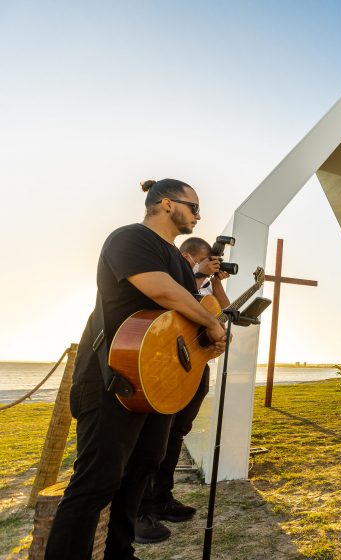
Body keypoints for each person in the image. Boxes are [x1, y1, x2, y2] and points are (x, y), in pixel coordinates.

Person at [46, 179, 227, 560]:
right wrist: (211, 323)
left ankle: (120, 553)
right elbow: (161, 291)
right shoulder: (129, 239)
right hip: (112, 379)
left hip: (157, 386)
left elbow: (180, 325)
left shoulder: (179, 259)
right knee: (96, 483)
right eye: (193, 207)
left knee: (140, 473)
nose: (198, 215)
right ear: (165, 204)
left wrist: (205, 348)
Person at [134, 237, 231, 543]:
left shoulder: (204, 285)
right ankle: (140, 510)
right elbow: (173, 301)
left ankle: (163, 498)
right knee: (153, 438)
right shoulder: (175, 276)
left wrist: (214, 281)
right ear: (187, 257)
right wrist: (199, 274)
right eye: (203, 260)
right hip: (165, 365)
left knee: (177, 432)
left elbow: (224, 313)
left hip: (195, 365)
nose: (208, 265)